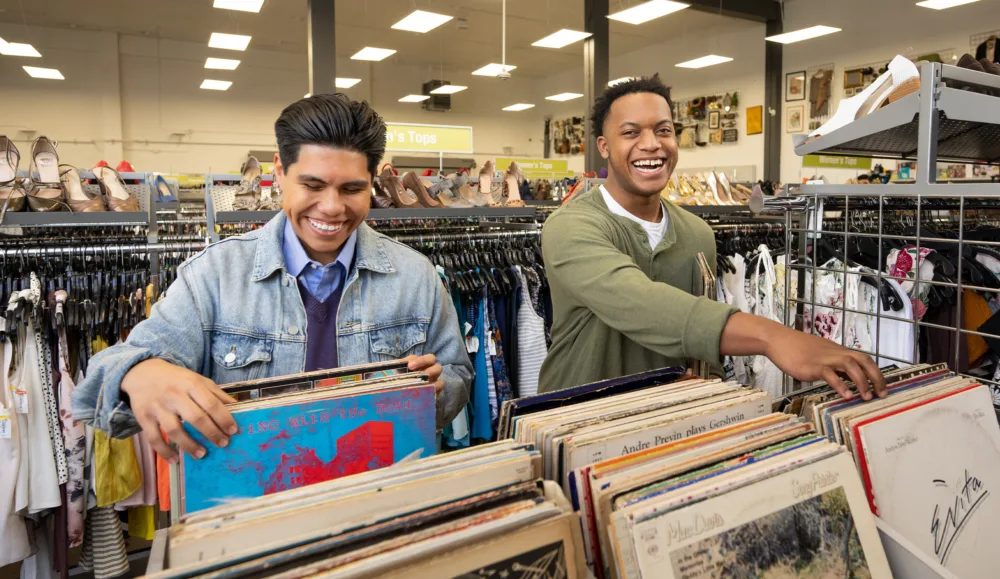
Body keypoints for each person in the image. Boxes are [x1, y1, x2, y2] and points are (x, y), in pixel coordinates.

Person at [72, 94, 472, 461]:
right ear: (279, 173)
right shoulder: (214, 277)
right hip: (253, 509)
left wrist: (433, 390)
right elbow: (96, 392)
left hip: (381, 501)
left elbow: (457, 375)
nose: (332, 208)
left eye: (352, 188)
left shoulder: (416, 276)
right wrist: (139, 373)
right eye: (312, 185)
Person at [538, 75, 887, 402]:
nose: (651, 144)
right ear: (604, 146)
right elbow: (638, 303)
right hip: (580, 412)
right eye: (630, 133)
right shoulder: (570, 227)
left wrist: (705, 378)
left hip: (669, 415)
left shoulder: (696, 234)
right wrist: (773, 337)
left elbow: (695, 329)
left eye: (664, 130)